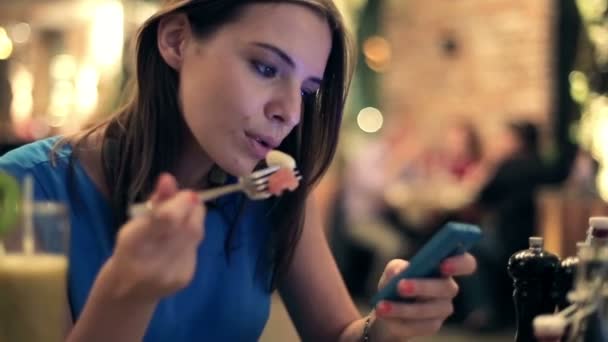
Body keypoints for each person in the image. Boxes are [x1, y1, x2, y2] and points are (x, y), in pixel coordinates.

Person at [0, 1, 477, 341]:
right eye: (267, 68)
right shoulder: (22, 187)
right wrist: (128, 293)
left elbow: (338, 334)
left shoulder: (275, 192)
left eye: (308, 89)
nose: (289, 112)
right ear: (176, 40)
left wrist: (386, 327)